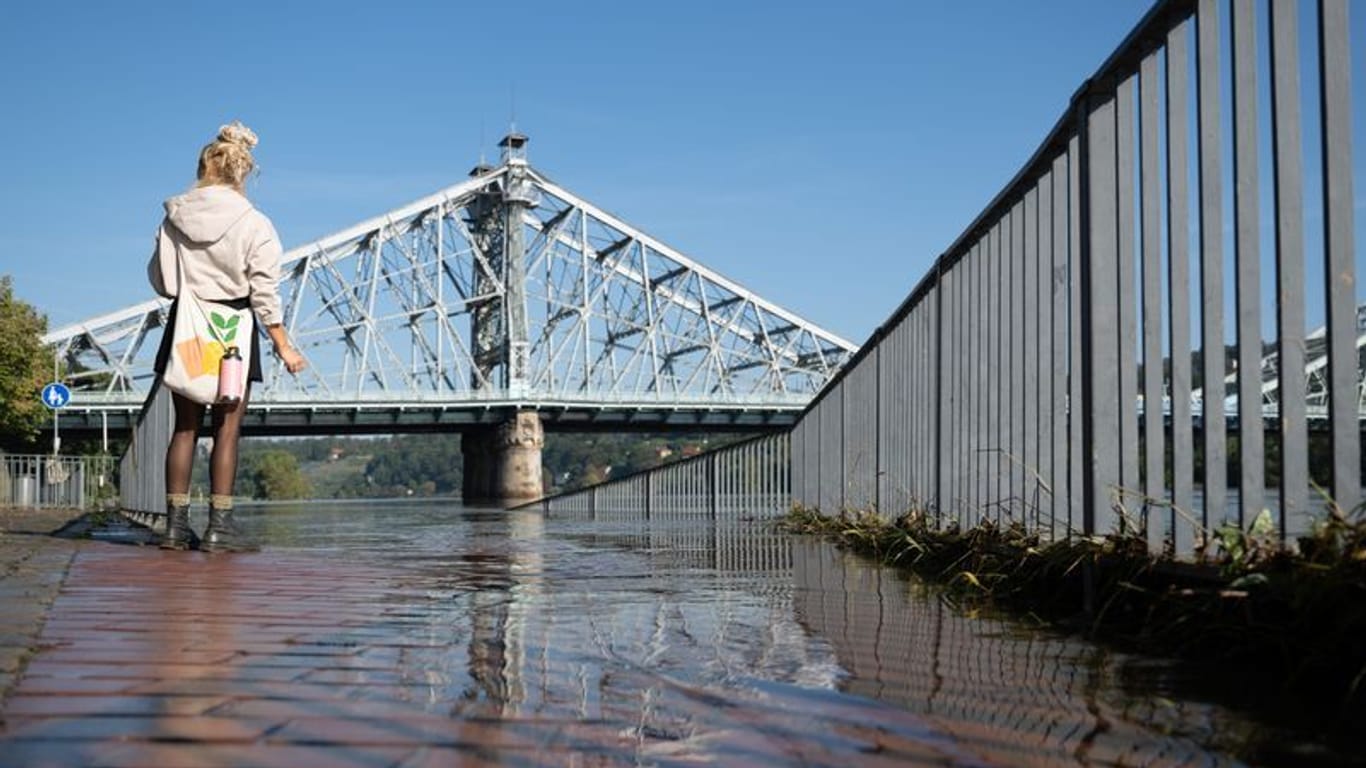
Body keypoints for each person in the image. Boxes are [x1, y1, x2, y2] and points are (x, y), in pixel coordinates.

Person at [147, 121, 306, 552]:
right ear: (243, 172)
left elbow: (161, 281)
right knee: (226, 432)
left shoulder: (174, 216)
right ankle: (221, 528)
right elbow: (264, 291)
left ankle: (175, 528)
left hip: (188, 327)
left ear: (204, 165)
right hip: (233, 332)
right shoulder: (256, 223)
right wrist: (283, 344)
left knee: (184, 429)